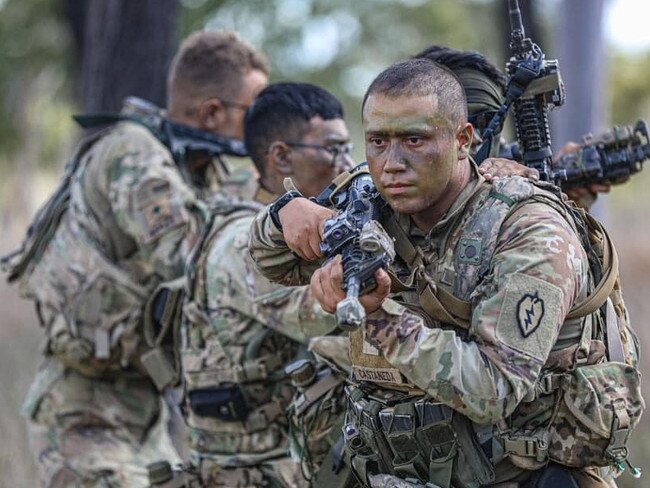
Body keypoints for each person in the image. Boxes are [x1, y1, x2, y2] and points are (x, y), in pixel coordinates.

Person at [249, 59, 641, 487]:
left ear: (463, 140)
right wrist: (286, 212)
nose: (392, 162)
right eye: (378, 141)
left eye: (414, 139)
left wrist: (378, 321)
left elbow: (492, 389)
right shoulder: (370, 201)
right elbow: (271, 261)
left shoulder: (530, 232)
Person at [4, 30, 268, 487]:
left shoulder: (196, 165)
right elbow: (192, 257)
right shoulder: (135, 152)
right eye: (256, 112)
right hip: (84, 417)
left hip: (143, 414)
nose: (261, 127)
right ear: (212, 112)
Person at [179, 82, 358, 487]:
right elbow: (339, 312)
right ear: (281, 156)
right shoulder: (244, 243)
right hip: (253, 471)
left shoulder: (294, 234)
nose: (347, 164)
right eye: (333, 149)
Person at [413, 45, 611, 208]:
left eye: (485, 122)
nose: (473, 137)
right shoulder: (392, 184)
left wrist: (558, 201)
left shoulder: (512, 167)